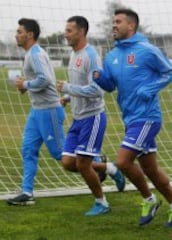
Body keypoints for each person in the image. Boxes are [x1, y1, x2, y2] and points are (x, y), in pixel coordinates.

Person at [93, 8, 172, 226]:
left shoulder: (147, 50)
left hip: (147, 118)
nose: (113, 25)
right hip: (130, 119)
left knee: (123, 162)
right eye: (113, 22)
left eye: (118, 22)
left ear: (131, 26)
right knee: (150, 170)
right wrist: (99, 78)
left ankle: (149, 199)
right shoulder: (111, 56)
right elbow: (110, 86)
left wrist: (150, 88)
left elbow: (169, 72)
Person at [57, 16, 125, 216]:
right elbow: (81, 85)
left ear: (81, 32)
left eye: (69, 30)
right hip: (78, 117)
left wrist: (69, 88)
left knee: (83, 164)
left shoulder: (91, 56)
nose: (65, 34)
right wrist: (68, 97)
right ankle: (110, 168)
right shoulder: (73, 54)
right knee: (68, 163)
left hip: (92, 117)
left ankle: (101, 203)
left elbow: (96, 90)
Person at [6, 18, 66, 206]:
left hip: (49, 111)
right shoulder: (30, 54)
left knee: (61, 155)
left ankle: (106, 167)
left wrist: (25, 84)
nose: (16, 35)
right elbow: (39, 81)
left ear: (30, 35)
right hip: (37, 111)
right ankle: (27, 192)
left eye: (19, 32)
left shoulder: (35, 54)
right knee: (28, 149)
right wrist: (27, 87)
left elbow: (46, 79)